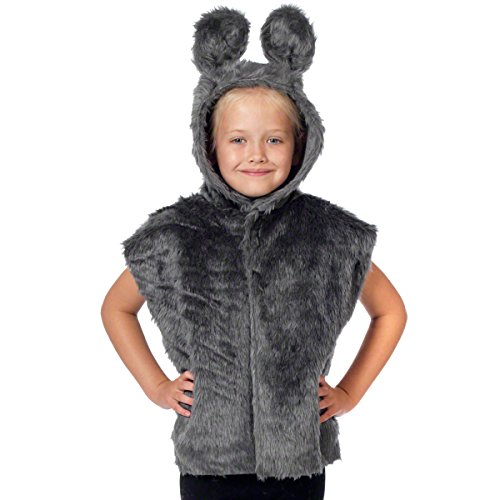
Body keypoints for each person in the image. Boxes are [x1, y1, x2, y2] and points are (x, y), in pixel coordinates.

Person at [101, 5, 407, 500]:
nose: (256, 154)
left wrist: (349, 391)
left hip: (297, 462)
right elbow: (116, 308)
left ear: (301, 144)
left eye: (274, 139)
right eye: (238, 139)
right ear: (210, 144)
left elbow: (390, 311)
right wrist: (156, 386)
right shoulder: (176, 233)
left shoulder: (329, 234)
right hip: (209, 462)